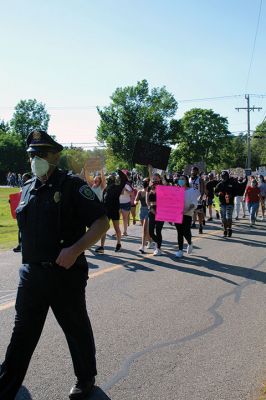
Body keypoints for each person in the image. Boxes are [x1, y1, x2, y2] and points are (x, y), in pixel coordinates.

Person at [0, 130, 109, 400]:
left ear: (55, 156)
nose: (35, 159)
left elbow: (101, 222)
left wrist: (75, 250)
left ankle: (85, 379)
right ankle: (5, 387)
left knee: (75, 327)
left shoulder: (72, 186)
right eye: (31, 155)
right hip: (32, 275)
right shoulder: (26, 189)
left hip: (65, 274)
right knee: (22, 334)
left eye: (40, 154)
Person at [95, 170, 128, 253]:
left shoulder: (117, 188)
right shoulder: (106, 189)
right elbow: (103, 200)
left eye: (110, 179)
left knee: (116, 228)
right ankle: (102, 247)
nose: (109, 181)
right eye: (109, 179)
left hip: (114, 210)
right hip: (107, 211)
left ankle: (118, 244)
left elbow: (124, 179)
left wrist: (119, 171)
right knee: (104, 229)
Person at [175, 175, 198, 258]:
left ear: (186, 181)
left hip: (187, 214)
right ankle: (180, 250)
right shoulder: (176, 190)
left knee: (186, 231)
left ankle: (190, 243)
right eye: (180, 179)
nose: (181, 180)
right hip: (178, 215)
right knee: (179, 232)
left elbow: (194, 204)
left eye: (183, 179)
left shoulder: (191, 191)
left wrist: (186, 210)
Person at [146, 167, 164, 256]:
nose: (154, 179)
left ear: (160, 179)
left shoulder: (163, 187)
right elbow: (147, 201)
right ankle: (158, 242)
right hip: (151, 210)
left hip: (161, 211)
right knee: (150, 232)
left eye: (156, 178)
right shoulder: (150, 188)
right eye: (154, 178)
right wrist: (151, 208)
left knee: (158, 230)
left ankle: (158, 248)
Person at [13, 173, 32, 253]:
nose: (23, 180)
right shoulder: (24, 187)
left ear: (28, 178)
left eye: (24, 178)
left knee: (27, 229)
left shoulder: (33, 186)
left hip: (29, 212)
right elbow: (19, 197)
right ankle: (20, 245)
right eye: (23, 178)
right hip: (22, 212)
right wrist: (12, 201)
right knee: (21, 229)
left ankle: (26, 245)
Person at [214, 170, 237, 237]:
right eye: (223, 176)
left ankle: (229, 229)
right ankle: (225, 230)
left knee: (228, 217)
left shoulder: (232, 183)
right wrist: (218, 193)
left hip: (230, 203)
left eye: (225, 176)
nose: (224, 178)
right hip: (222, 203)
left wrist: (231, 195)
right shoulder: (219, 184)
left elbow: (235, 192)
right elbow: (215, 192)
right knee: (223, 218)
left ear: (227, 176)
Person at [134, 178, 152, 254]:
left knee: (144, 229)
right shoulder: (140, 192)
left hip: (148, 210)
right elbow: (135, 200)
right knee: (145, 230)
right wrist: (135, 202)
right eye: (144, 182)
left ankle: (142, 246)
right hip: (142, 211)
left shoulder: (151, 192)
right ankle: (150, 241)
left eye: (146, 182)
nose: (145, 183)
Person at [189, 166, 205, 234]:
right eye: (192, 170)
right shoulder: (189, 179)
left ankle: (200, 225)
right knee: (191, 213)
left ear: (197, 172)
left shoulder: (200, 180)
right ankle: (192, 224)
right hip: (190, 198)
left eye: (195, 171)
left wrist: (201, 196)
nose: (193, 172)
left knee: (199, 213)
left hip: (198, 198)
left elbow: (202, 189)